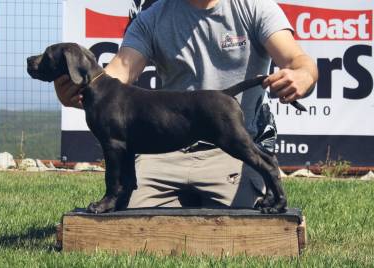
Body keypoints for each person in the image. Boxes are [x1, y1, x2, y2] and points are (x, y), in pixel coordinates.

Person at [54, 0, 318, 209]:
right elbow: (119, 71)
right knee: (128, 222)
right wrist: (84, 91)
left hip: (226, 153)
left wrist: (304, 75)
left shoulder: (254, 7)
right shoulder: (152, 17)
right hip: (164, 153)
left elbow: (297, 60)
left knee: (238, 227)